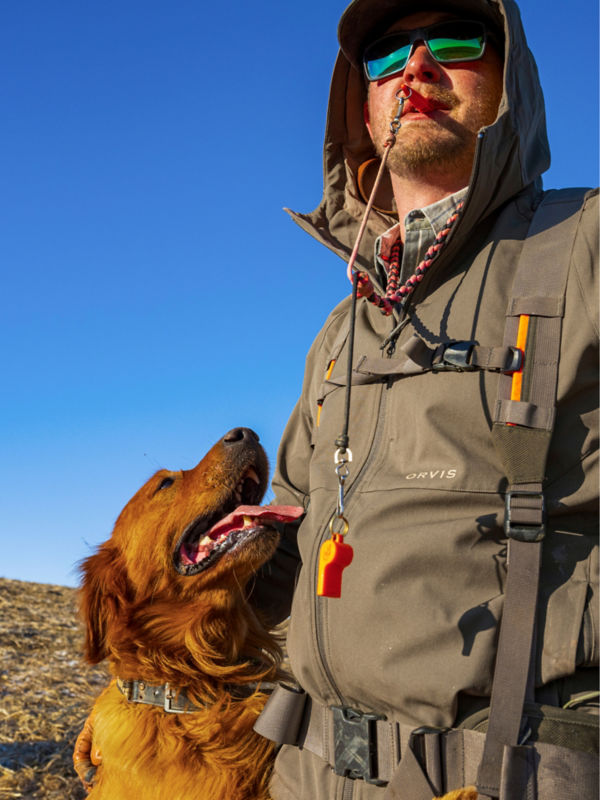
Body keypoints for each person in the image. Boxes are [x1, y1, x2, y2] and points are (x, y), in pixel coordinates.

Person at [249, 0, 599, 798]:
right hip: (306, 775)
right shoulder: (341, 330)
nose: (415, 68)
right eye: (384, 54)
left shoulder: (585, 245)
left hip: (511, 771)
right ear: (358, 102)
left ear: (514, 81)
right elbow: (298, 535)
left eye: (454, 40)